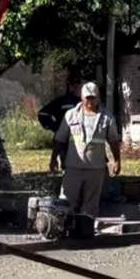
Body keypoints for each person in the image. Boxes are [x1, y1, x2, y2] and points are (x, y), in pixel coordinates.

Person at [51, 82, 122, 218]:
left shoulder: (107, 118)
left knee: (91, 205)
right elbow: (60, 139)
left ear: (98, 98)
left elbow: (113, 141)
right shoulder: (71, 116)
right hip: (73, 167)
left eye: (93, 97)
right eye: (87, 98)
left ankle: (86, 230)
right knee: (67, 201)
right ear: (82, 98)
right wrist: (53, 159)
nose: (90, 101)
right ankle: (66, 227)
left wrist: (117, 161)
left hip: (95, 169)